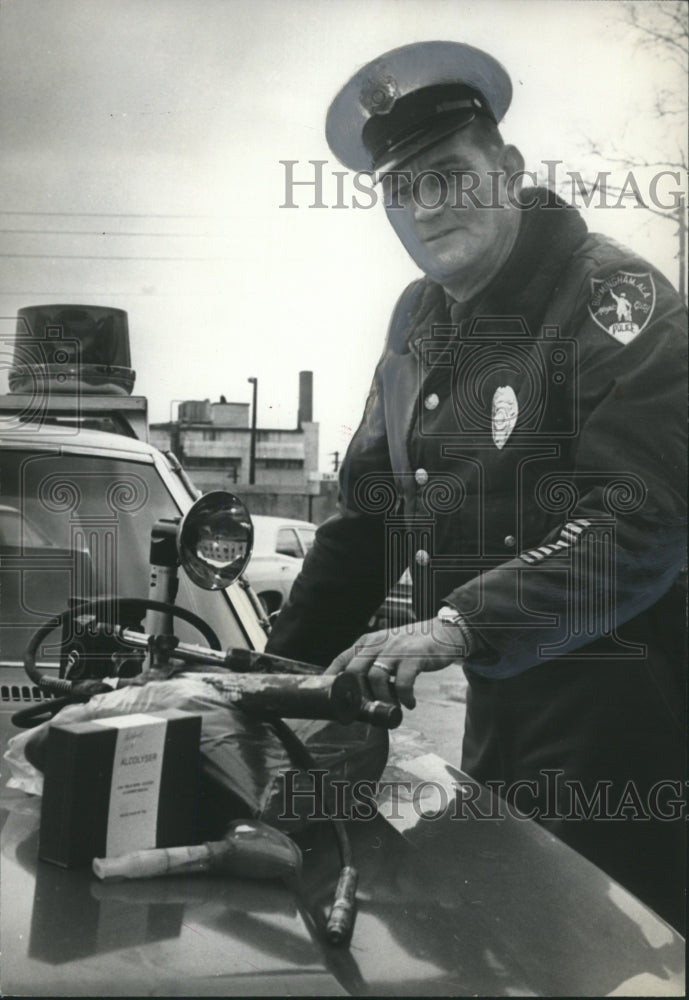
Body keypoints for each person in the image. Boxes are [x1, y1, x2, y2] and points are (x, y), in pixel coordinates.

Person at [266, 41, 687, 931]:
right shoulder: (417, 318)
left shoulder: (617, 298)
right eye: (400, 189)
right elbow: (364, 518)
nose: (426, 208)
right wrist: (275, 676)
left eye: (450, 176)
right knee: (496, 937)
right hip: (499, 708)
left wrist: (460, 624)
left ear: (507, 169)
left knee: (606, 958)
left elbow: (638, 521)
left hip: (631, 723)